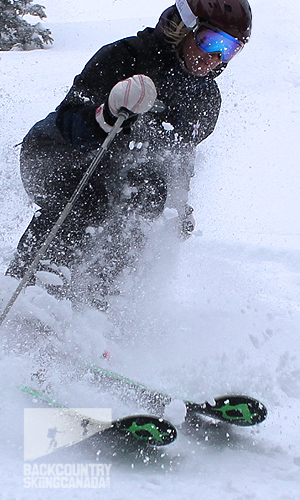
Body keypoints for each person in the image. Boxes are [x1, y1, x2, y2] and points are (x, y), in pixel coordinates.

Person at [6, 0, 252, 307]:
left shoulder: (204, 99)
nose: (214, 57)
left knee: (148, 199)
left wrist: (179, 205)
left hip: (117, 171)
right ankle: (32, 296)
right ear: (182, 27)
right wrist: (104, 115)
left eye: (230, 49)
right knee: (89, 197)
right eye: (210, 41)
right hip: (55, 153)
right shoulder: (126, 57)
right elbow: (67, 121)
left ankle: (97, 306)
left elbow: (178, 157)